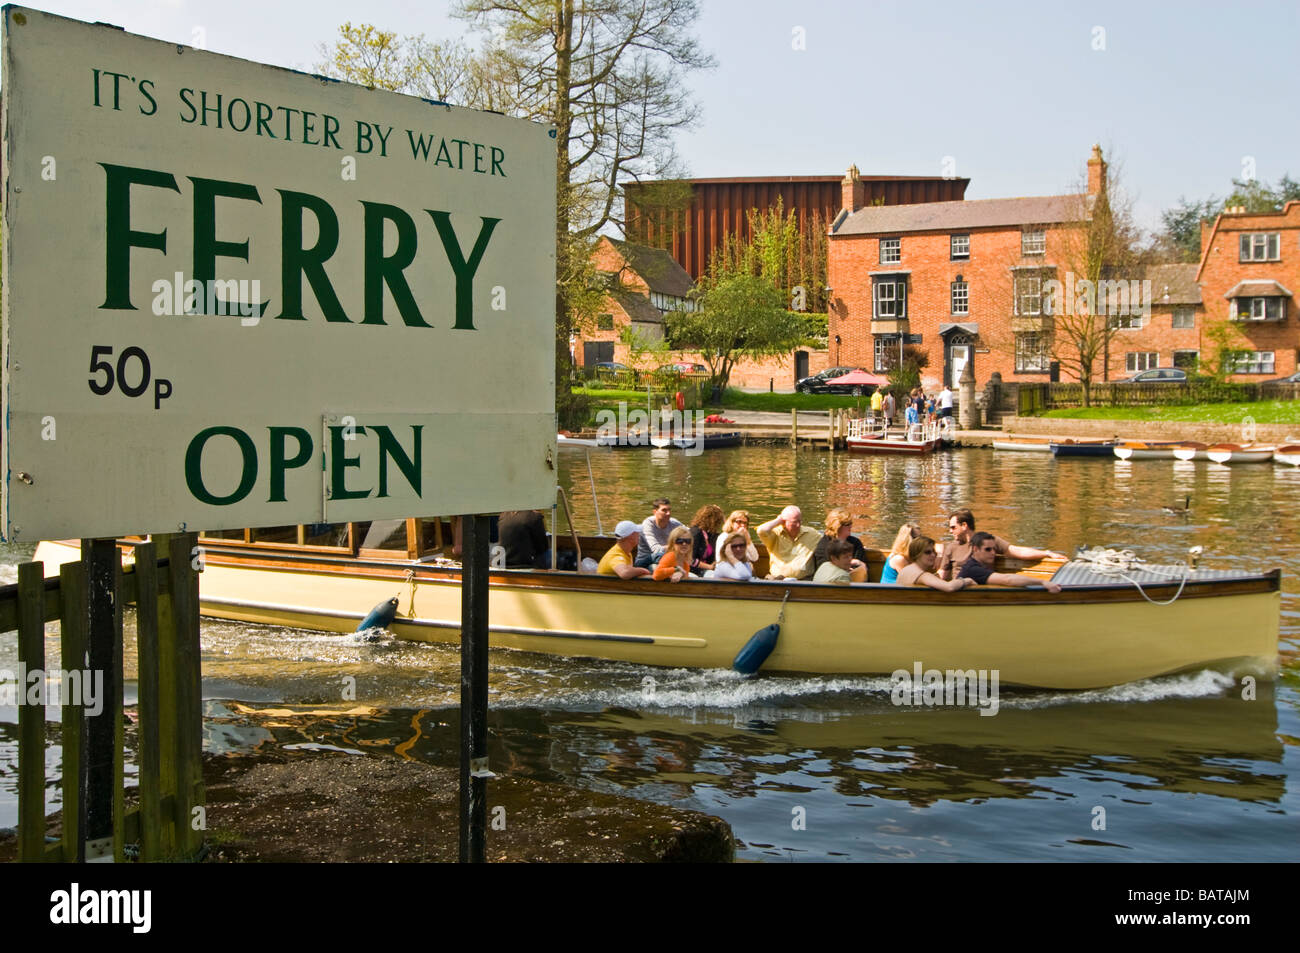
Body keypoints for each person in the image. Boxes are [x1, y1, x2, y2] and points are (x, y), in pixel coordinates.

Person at [937, 508, 1067, 581]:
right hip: (959, 590)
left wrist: (1047, 553)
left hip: (984, 590)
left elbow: (1017, 551)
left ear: (964, 525)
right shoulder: (951, 547)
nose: (950, 531)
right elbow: (943, 575)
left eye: (953, 527)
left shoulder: (987, 541)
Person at [959, 532, 1063, 592]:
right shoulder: (972, 569)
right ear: (976, 549)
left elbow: (1019, 551)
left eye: (994, 549)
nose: (993, 553)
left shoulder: (980, 564)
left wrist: (1047, 553)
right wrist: (1042, 582)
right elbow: (1007, 579)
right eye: (988, 549)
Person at [756, 506, 822, 580]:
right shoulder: (775, 534)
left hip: (804, 581)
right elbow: (761, 530)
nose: (798, 525)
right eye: (794, 522)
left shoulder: (811, 534)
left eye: (799, 521)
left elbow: (828, 539)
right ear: (784, 522)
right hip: (777, 580)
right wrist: (778, 520)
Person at [895, 536, 976, 592]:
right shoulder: (921, 575)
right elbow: (949, 587)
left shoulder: (907, 569)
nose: (933, 555)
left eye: (934, 552)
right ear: (917, 554)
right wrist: (967, 580)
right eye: (928, 552)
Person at [812, 508, 868, 582]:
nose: (851, 525)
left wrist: (859, 564)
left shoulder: (855, 543)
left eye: (851, 522)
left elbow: (861, 570)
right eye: (847, 524)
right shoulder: (823, 546)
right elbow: (826, 571)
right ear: (837, 526)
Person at [635, 498, 683, 569]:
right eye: (664, 510)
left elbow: (691, 534)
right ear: (655, 512)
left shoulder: (674, 523)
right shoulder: (647, 525)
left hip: (666, 559)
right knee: (657, 565)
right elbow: (656, 550)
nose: (668, 513)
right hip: (645, 561)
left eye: (669, 510)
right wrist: (677, 546)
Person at [688, 504, 724, 576]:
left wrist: (724, 518)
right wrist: (709, 567)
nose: (719, 525)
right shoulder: (696, 533)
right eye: (718, 521)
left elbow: (729, 535)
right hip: (693, 570)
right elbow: (689, 559)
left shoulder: (709, 535)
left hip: (706, 570)